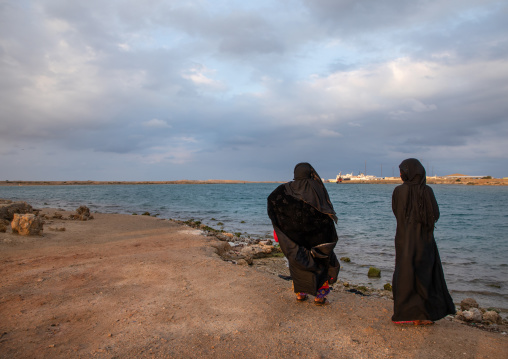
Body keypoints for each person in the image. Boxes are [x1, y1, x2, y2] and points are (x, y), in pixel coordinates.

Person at [391, 158, 455, 325]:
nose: (400, 174)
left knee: (405, 273)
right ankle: (425, 315)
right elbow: (435, 214)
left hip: (404, 238)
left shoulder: (399, 191)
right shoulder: (427, 191)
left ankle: (404, 314)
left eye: (402, 171)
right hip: (425, 239)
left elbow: (396, 212)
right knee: (425, 274)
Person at [267, 162, 339, 305]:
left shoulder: (283, 190)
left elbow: (272, 201)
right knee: (321, 262)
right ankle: (319, 297)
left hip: (294, 236)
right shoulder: (317, 188)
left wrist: (283, 225)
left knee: (298, 262)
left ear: (295, 174)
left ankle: (301, 294)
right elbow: (325, 212)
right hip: (317, 236)